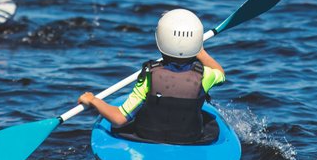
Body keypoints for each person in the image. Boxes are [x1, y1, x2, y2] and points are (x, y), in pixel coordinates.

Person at [77, 9, 227, 144]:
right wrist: (200, 52)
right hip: (191, 138)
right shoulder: (204, 75)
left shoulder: (149, 76)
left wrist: (93, 100)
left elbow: (119, 119)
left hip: (147, 137)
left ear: (159, 40)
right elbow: (220, 73)